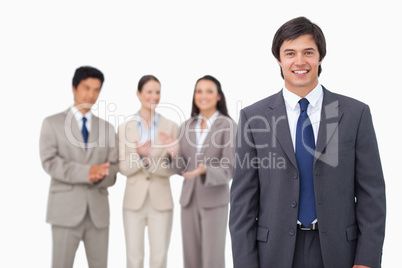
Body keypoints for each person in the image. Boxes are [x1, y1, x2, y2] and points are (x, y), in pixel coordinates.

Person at [229, 17, 386, 268]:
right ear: (279, 60)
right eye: (290, 53)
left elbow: (372, 195)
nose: (299, 62)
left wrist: (366, 260)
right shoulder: (253, 117)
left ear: (320, 57)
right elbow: (242, 204)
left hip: (340, 253)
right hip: (274, 254)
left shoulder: (355, 114)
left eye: (308, 52)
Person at [39, 66, 118, 268]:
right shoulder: (52, 123)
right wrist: (88, 172)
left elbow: (114, 166)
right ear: (74, 88)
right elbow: (49, 162)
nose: (91, 94)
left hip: (98, 214)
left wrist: (103, 174)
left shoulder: (108, 129)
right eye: (86, 88)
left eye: (96, 89)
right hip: (65, 211)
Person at [162, 75, 237, 268]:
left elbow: (229, 168)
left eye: (209, 91)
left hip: (214, 200)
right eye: (199, 91)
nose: (203, 96)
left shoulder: (228, 126)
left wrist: (205, 171)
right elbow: (181, 168)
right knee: (191, 258)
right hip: (189, 200)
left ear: (219, 96)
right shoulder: (186, 126)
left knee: (212, 258)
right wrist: (172, 153)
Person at [118, 75, 179, 268]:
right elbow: (123, 167)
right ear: (138, 94)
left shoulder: (171, 127)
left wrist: (170, 155)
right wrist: (140, 153)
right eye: (149, 91)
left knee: (159, 258)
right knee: (134, 258)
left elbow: (172, 168)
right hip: (133, 202)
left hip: (161, 201)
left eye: (158, 92)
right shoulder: (124, 128)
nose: (154, 96)